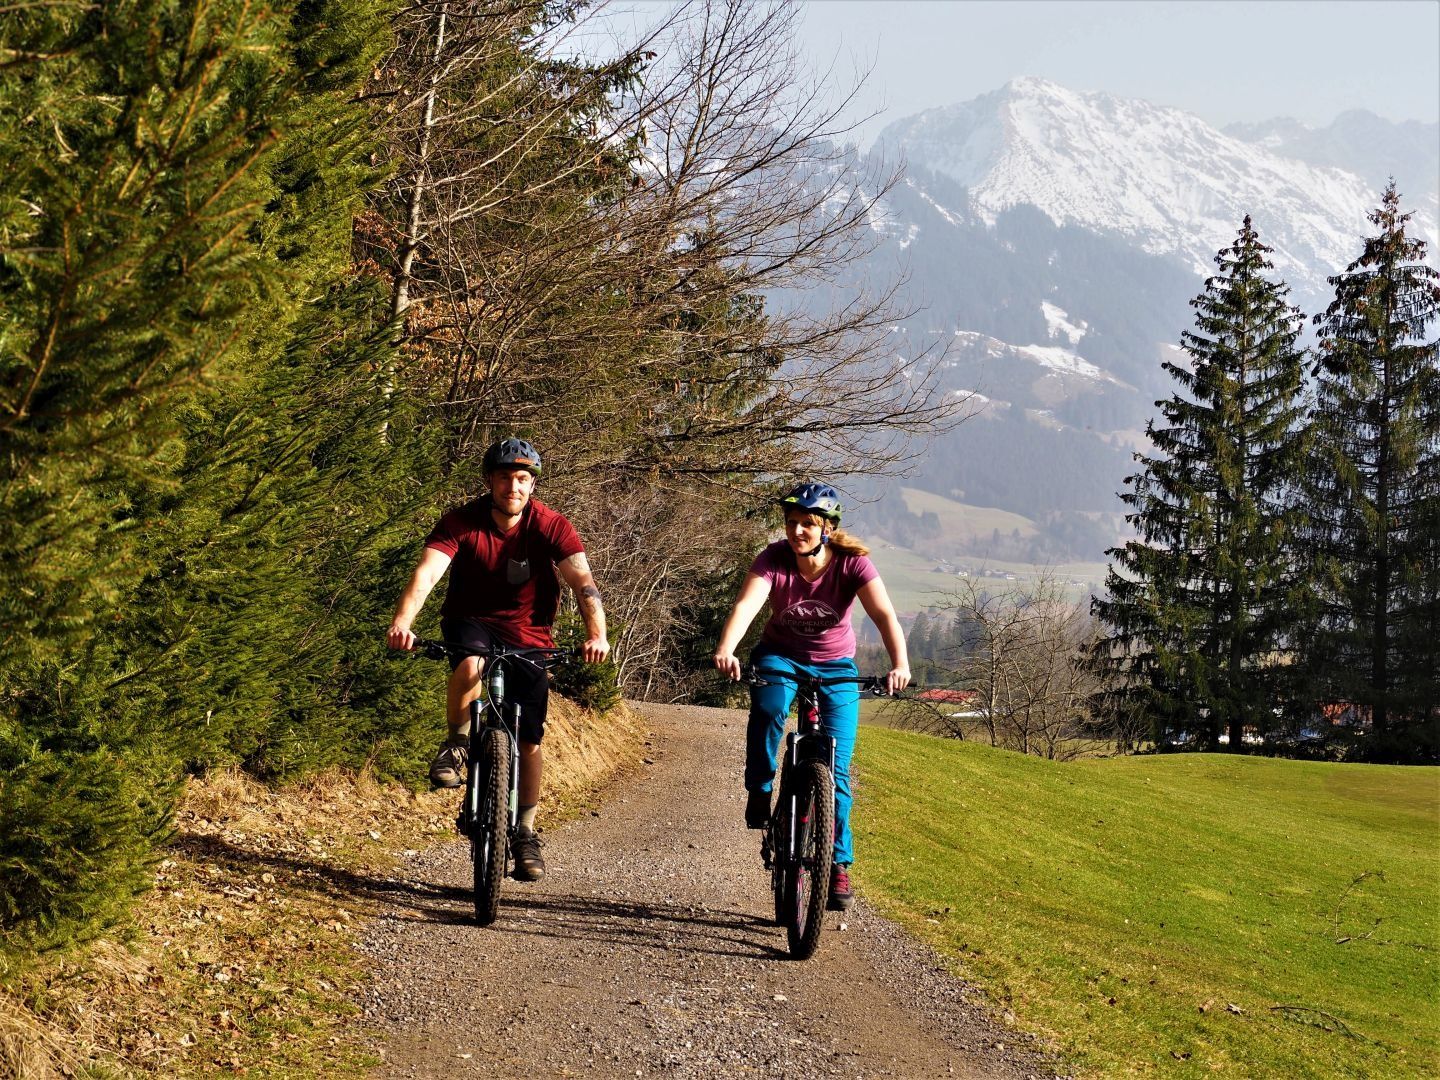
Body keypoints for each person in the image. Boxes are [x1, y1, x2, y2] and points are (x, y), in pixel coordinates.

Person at [386, 437, 609, 882]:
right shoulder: (461, 522)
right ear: (490, 480)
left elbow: (582, 579)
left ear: (532, 485)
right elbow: (428, 572)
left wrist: (597, 634)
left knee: (529, 741)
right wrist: (403, 621)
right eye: (506, 477)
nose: (514, 486)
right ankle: (457, 744)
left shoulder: (551, 525)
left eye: (523, 479)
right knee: (470, 662)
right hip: (471, 621)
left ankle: (524, 832)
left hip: (530, 634)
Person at [712, 482, 910, 911]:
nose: (797, 531)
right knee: (768, 711)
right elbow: (747, 605)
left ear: (827, 528)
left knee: (836, 771)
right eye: (791, 523)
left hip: (835, 667)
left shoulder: (853, 565)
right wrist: (727, 648)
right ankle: (761, 789)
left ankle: (837, 863)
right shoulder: (773, 559)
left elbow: (884, 616)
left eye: (807, 524)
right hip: (781, 657)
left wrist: (900, 664)